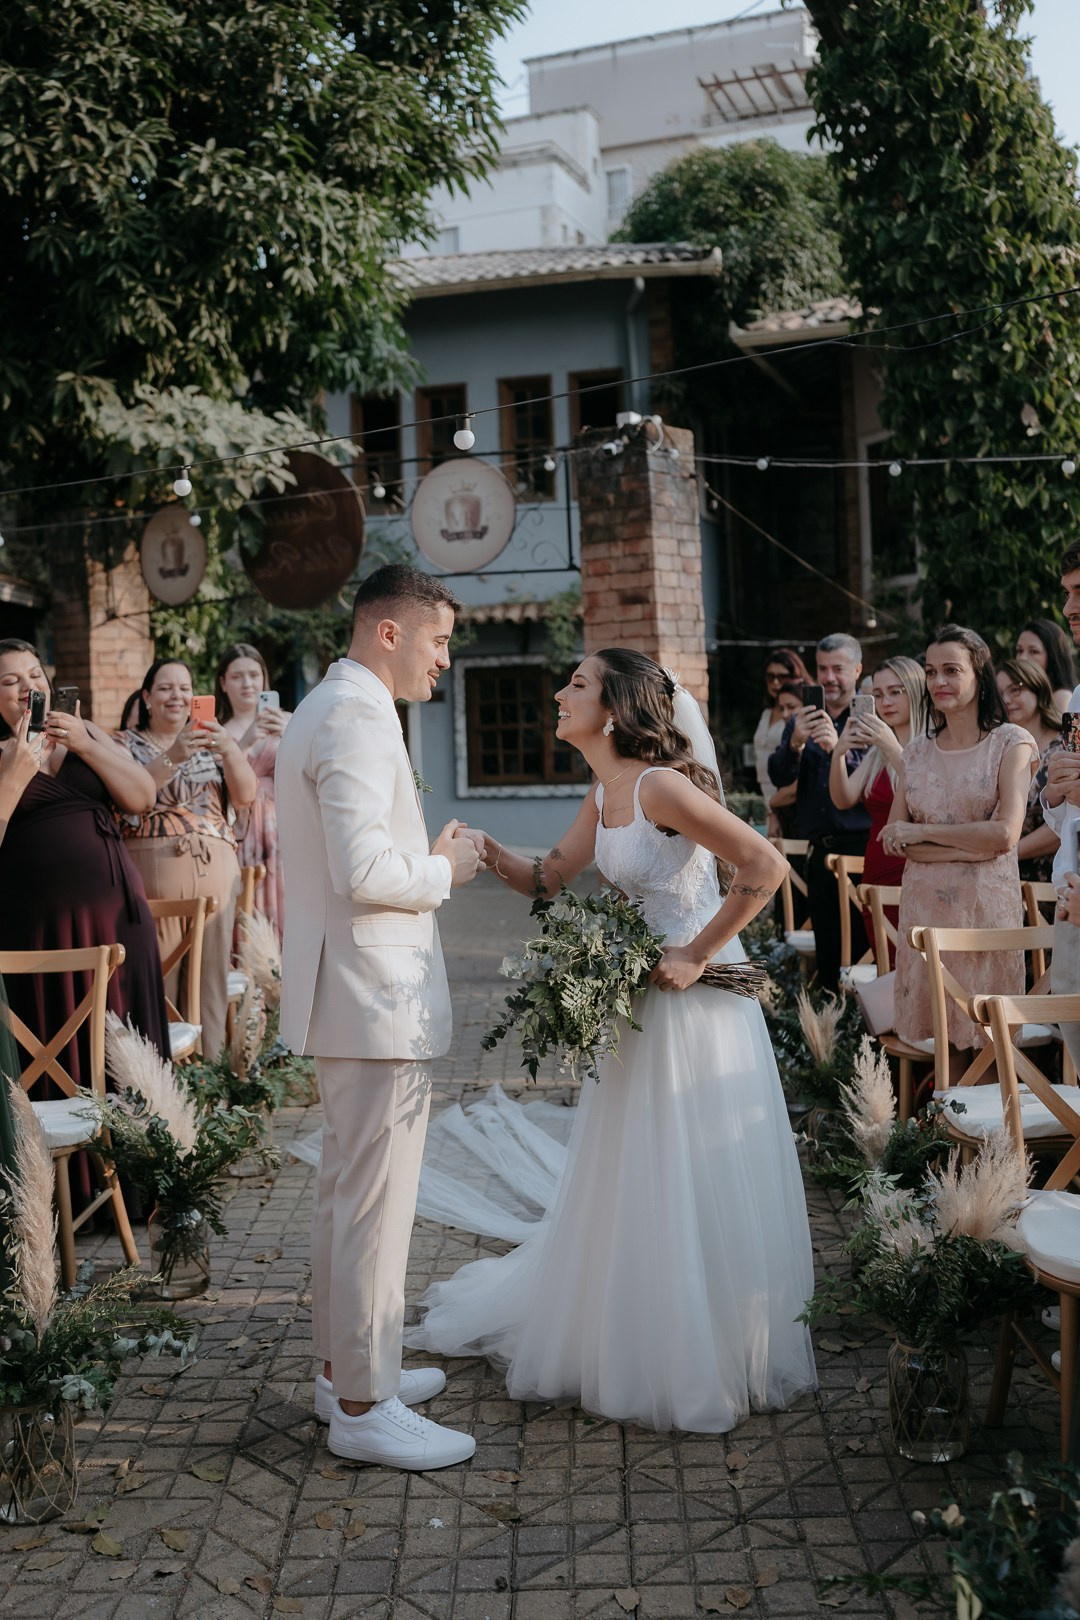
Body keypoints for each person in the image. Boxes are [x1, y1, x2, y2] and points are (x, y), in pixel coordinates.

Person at [407, 648, 818, 1435]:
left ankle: (708, 1346)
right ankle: (641, 1328)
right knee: (636, 1169)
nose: (561, 694)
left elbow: (762, 867)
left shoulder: (662, 786)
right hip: (637, 1006)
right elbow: (548, 877)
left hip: (695, 1007)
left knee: (688, 1167)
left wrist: (697, 952)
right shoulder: (606, 791)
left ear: (619, 707)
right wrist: (486, 850)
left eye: (578, 685)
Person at [275, 563, 483, 1472]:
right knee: (373, 1206)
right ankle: (364, 1407)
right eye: (438, 641)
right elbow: (365, 870)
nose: (443, 661)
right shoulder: (358, 717)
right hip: (369, 997)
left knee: (344, 1195)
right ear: (388, 632)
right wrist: (444, 870)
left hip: (348, 993)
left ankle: (345, 1370)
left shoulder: (329, 705)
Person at [0, 640, 170, 1076]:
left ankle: (137, 1140)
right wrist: (16, 773)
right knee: (58, 1036)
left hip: (118, 914)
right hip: (41, 928)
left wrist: (85, 744)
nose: (27, 686)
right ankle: (66, 1143)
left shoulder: (86, 732)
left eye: (35, 674)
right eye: (10, 679)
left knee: (129, 1045)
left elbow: (141, 797)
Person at [883, 626, 1036, 1072]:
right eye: (931, 672)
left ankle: (995, 1145)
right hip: (925, 914)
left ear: (980, 673)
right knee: (944, 1052)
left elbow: (1006, 834)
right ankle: (951, 1143)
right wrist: (969, 844)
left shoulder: (1012, 742)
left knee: (989, 1046)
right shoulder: (915, 752)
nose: (938, 682)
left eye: (951, 670)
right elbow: (896, 837)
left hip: (984, 915)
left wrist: (924, 837)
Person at [116, 658, 257, 1060]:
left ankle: (211, 1077)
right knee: (162, 978)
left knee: (210, 980)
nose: (176, 696)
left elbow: (245, 795)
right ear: (146, 697)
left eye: (184, 687)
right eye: (164, 688)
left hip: (215, 875)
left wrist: (229, 747)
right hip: (153, 877)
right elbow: (131, 797)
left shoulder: (215, 744)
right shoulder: (125, 744)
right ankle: (164, 1079)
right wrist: (175, 754)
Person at [768, 632, 870, 992]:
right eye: (822, 668)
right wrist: (794, 743)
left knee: (866, 952)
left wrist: (834, 750)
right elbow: (779, 776)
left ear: (857, 669)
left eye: (838, 669)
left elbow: (874, 782)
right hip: (820, 853)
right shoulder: (804, 718)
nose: (829, 677)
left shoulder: (869, 719)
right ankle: (831, 1034)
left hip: (863, 850)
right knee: (828, 956)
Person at [828, 656, 930, 962]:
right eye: (879, 694)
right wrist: (838, 754)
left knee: (916, 965)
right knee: (885, 965)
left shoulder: (931, 747)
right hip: (875, 868)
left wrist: (891, 748)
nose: (886, 702)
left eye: (896, 692)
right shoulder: (876, 754)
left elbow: (926, 796)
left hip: (914, 869)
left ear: (916, 692)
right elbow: (843, 799)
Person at [216, 642, 290, 942]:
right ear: (223, 683)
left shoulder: (290, 720)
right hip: (239, 828)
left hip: (283, 825)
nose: (247, 683)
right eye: (237, 676)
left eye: (253, 675)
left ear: (264, 680)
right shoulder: (218, 730)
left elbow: (311, 770)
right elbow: (216, 784)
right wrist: (243, 743)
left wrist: (289, 733)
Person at [1040, 543, 1080, 1073]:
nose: (1070, 608)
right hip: (1070, 908)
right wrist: (1054, 796)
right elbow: (1070, 814)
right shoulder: (1077, 699)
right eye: (1068, 593)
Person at [996, 657, 1063, 884]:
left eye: (1015, 690)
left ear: (1038, 687)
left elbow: (1067, 823)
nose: (1006, 699)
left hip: (1057, 884)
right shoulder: (999, 750)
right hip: (1007, 883)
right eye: (1000, 693)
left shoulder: (1067, 746)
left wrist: (1007, 855)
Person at [752, 646, 811, 835]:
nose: (776, 682)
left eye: (782, 676)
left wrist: (774, 806)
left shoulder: (802, 714)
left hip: (786, 798)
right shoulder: (767, 712)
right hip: (767, 793)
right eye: (770, 677)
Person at [1016, 618, 1076, 712]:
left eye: (1033, 651)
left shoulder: (1061, 697)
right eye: (1019, 651)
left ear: (1053, 656)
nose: (1022, 658)